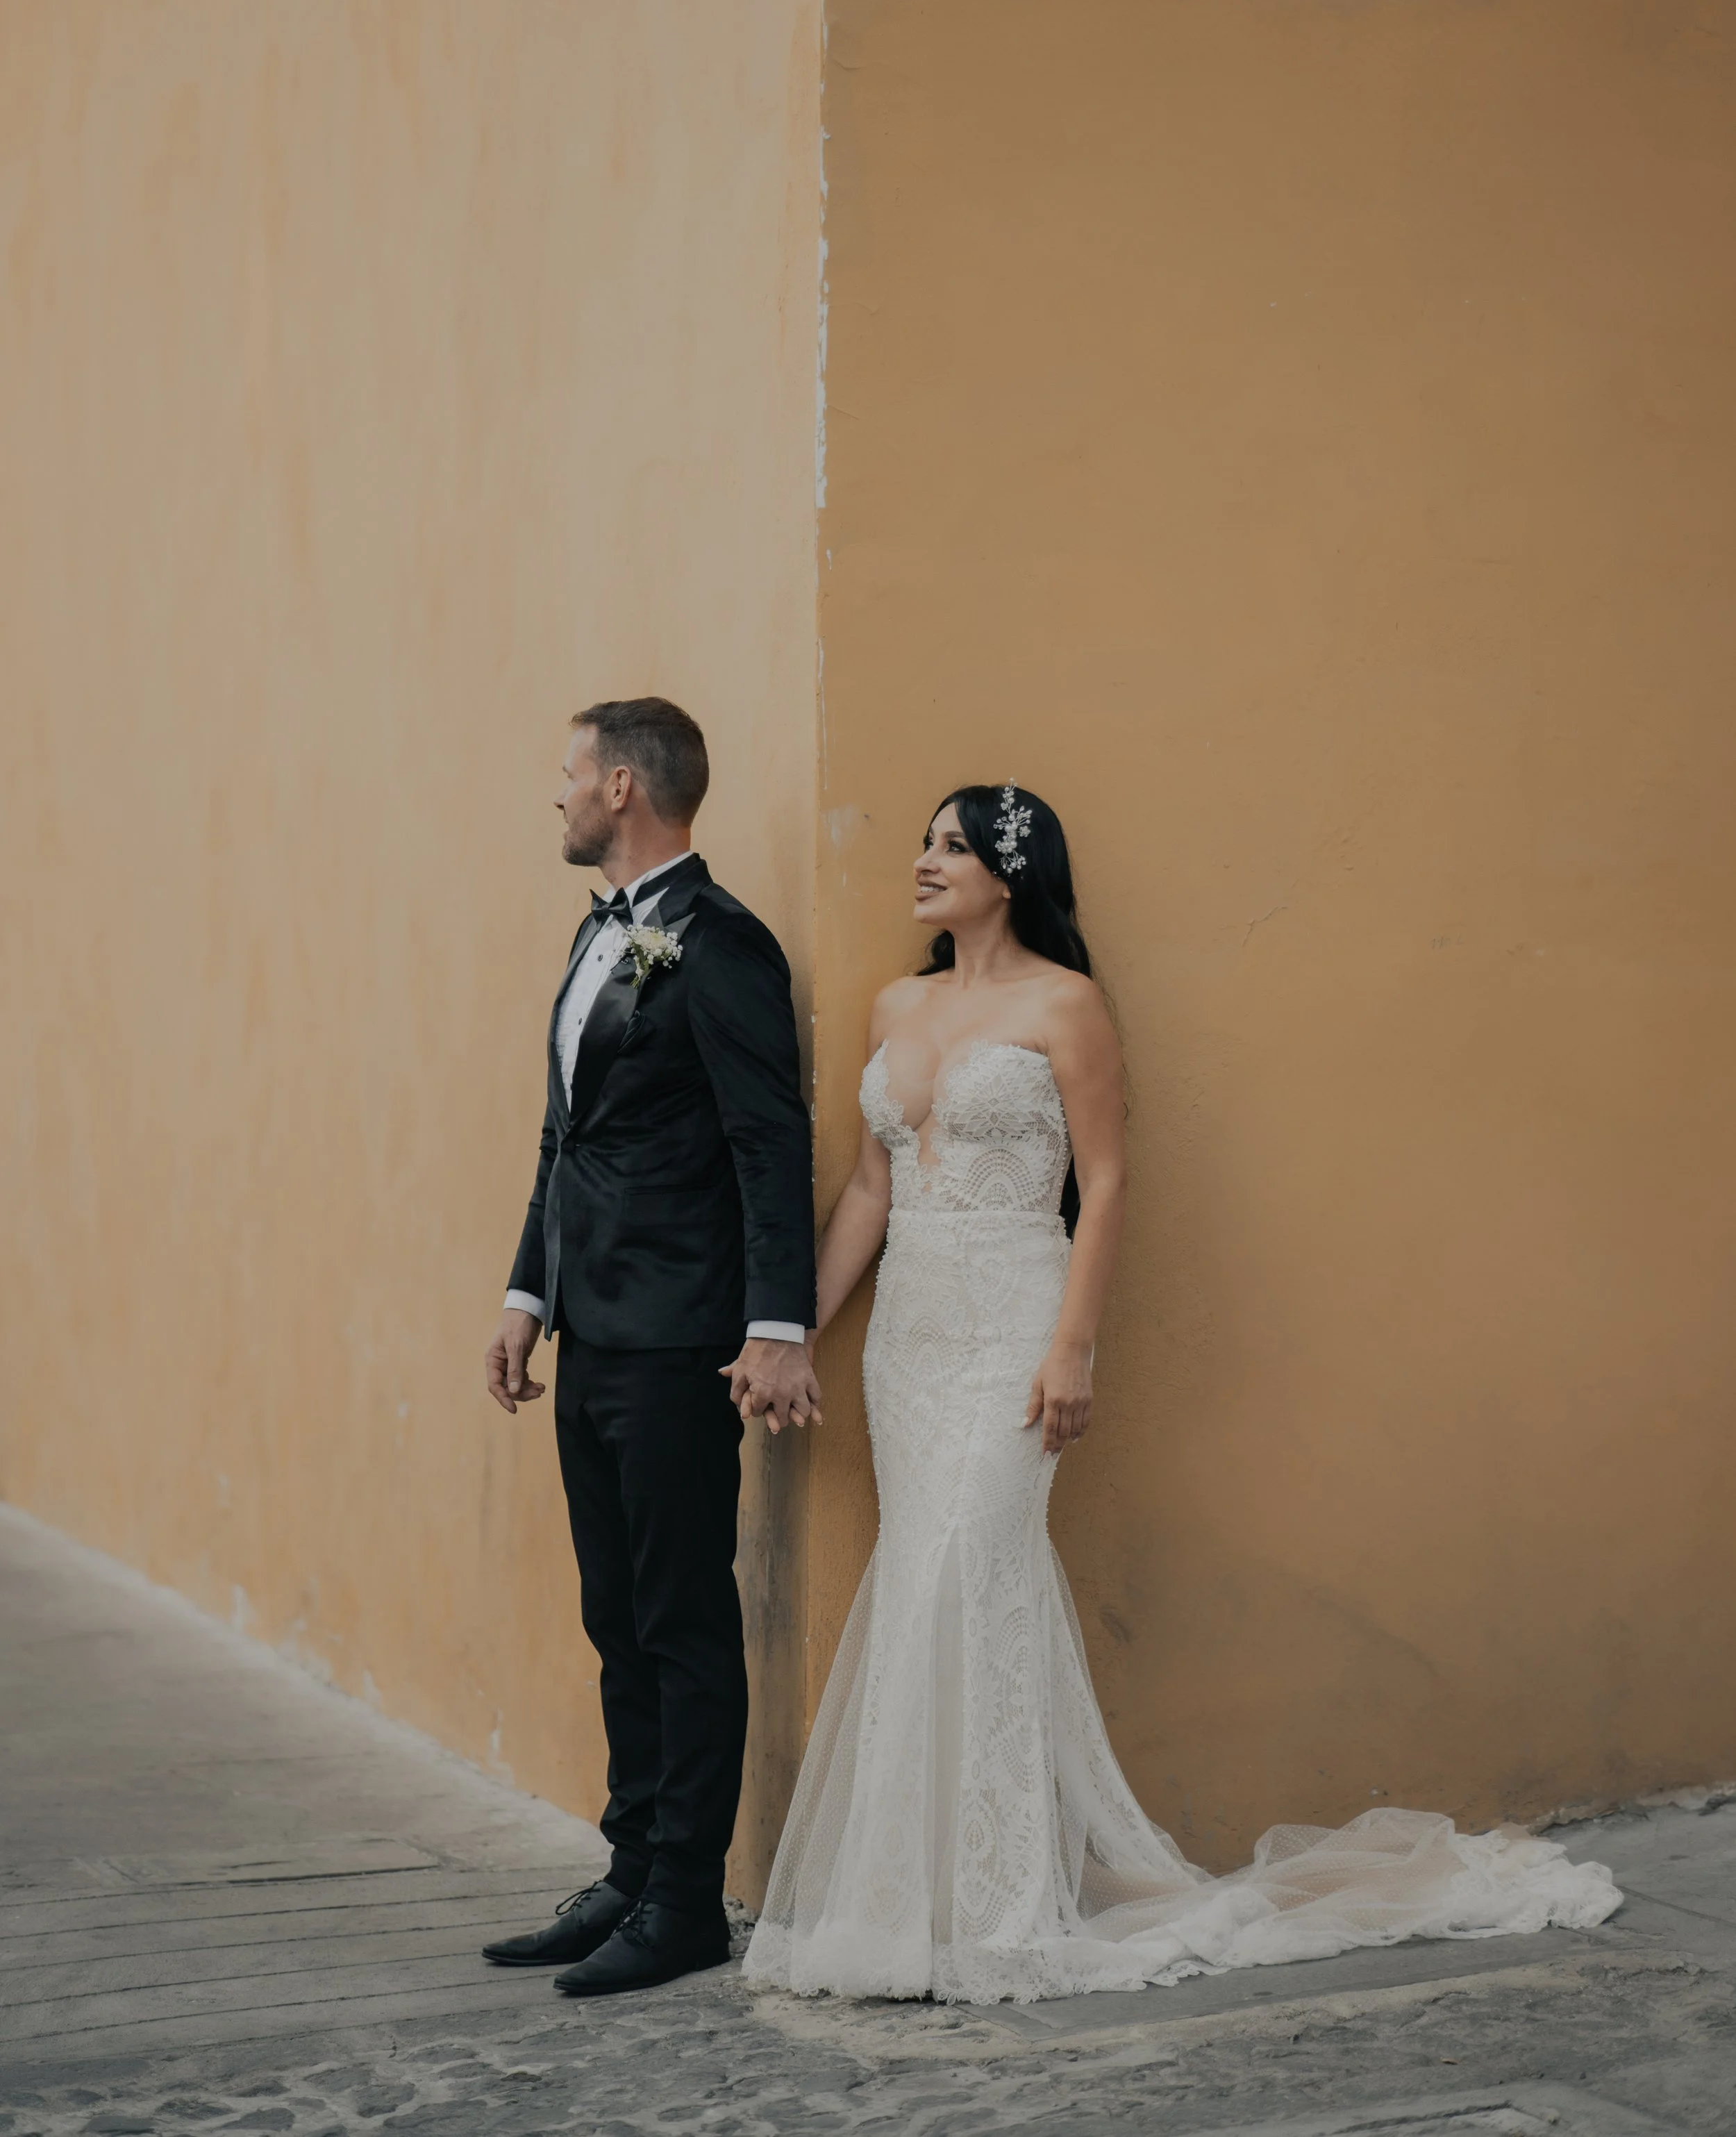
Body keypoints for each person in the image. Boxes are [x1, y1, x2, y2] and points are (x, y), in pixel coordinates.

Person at [742, 783, 1619, 2003]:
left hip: (1012, 1327)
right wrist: (790, 1331)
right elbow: (869, 1197)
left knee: (970, 1577)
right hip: (910, 1344)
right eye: (925, 841)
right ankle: (910, 1907)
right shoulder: (899, 1003)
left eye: (952, 844)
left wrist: (1073, 1349)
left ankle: (999, 1911)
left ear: (1013, 869)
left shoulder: (1068, 1004)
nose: (924, 859)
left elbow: (1101, 1184)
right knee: (922, 1590)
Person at [481, 699, 818, 1998]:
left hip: (682, 1337)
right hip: (589, 1324)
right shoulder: (594, 934)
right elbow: (566, 1135)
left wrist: (773, 1325)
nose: (555, 793)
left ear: (623, 786)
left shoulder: (722, 945)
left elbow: (767, 1142)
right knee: (615, 1611)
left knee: (681, 1618)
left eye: (567, 771)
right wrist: (526, 1292)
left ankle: (686, 1900)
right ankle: (629, 1869)